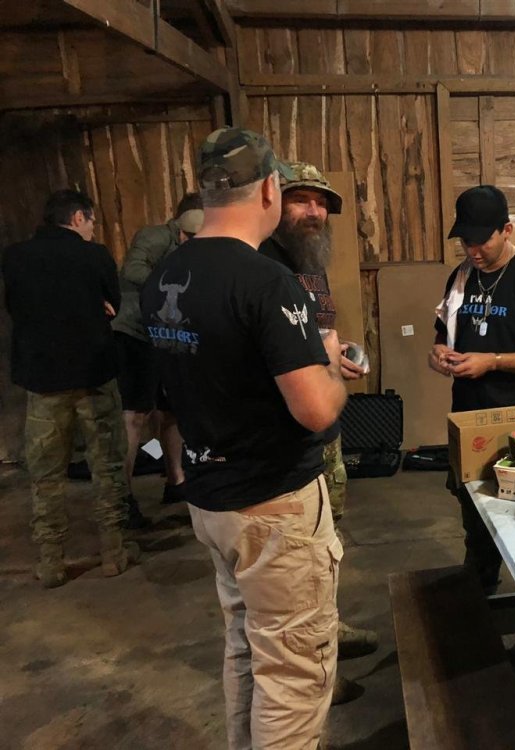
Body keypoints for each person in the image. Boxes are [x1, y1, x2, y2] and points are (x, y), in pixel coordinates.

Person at [140, 128, 347, 749]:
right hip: (273, 505)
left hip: (212, 498)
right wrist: (333, 367)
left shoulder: (165, 275)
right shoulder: (266, 282)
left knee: (248, 649)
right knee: (294, 671)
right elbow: (315, 410)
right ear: (268, 189)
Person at [259, 160, 378, 698]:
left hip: (324, 430)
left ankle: (329, 628)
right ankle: (316, 676)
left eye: (321, 203)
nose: (314, 212)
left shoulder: (310, 262)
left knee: (327, 545)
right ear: (274, 203)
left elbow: (318, 335)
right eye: (301, 199)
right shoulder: (265, 267)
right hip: (291, 436)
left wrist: (340, 354)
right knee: (300, 561)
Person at [428, 185, 515, 592]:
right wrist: (438, 354)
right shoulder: (460, 278)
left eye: (482, 241)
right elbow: (442, 335)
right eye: (465, 241)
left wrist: (492, 361)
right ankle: (480, 584)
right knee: (473, 511)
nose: (473, 251)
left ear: (506, 230)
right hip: (468, 417)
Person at [2, 189, 137, 588]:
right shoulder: (94, 256)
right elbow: (113, 303)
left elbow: (16, 308)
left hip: (42, 381)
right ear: (79, 217)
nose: (93, 228)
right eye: (92, 221)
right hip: (94, 376)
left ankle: (51, 560)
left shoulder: (15, 257)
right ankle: (113, 552)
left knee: (46, 474)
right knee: (106, 467)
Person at [111, 194, 204, 528]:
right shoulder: (154, 237)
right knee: (135, 415)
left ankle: (176, 481)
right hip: (135, 333)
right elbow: (132, 269)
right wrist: (172, 281)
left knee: (172, 410)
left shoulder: (201, 244)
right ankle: (121, 500)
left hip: (168, 335)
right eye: (189, 234)